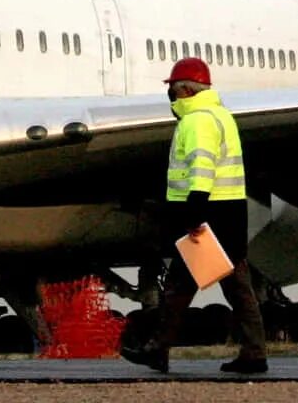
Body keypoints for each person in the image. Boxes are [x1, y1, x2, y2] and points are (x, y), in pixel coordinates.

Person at [120, 56, 269, 375]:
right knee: (227, 286)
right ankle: (252, 352)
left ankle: (159, 349)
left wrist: (193, 213)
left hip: (206, 215)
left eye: (173, 90)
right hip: (227, 214)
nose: (171, 97)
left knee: (185, 287)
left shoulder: (196, 121)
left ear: (185, 90)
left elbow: (202, 168)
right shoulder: (220, 115)